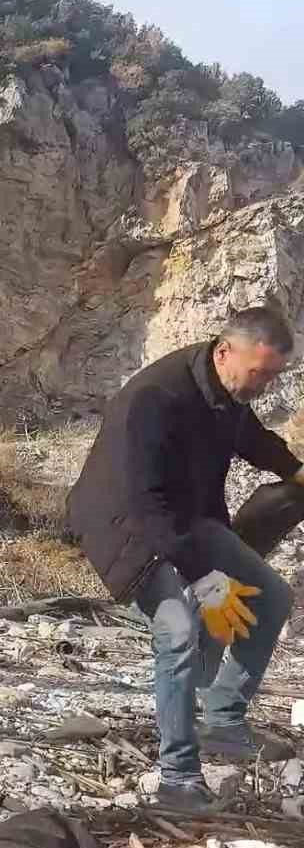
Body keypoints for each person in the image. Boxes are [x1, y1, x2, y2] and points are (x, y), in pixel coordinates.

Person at [66, 307, 302, 810]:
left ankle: (224, 722)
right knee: (178, 631)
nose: (266, 384)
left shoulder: (227, 391)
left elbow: (250, 439)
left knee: (272, 596)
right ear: (225, 352)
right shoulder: (155, 397)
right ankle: (177, 779)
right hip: (124, 524)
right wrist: (207, 582)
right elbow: (143, 502)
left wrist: (295, 471)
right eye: (260, 372)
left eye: (274, 375)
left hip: (185, 516)